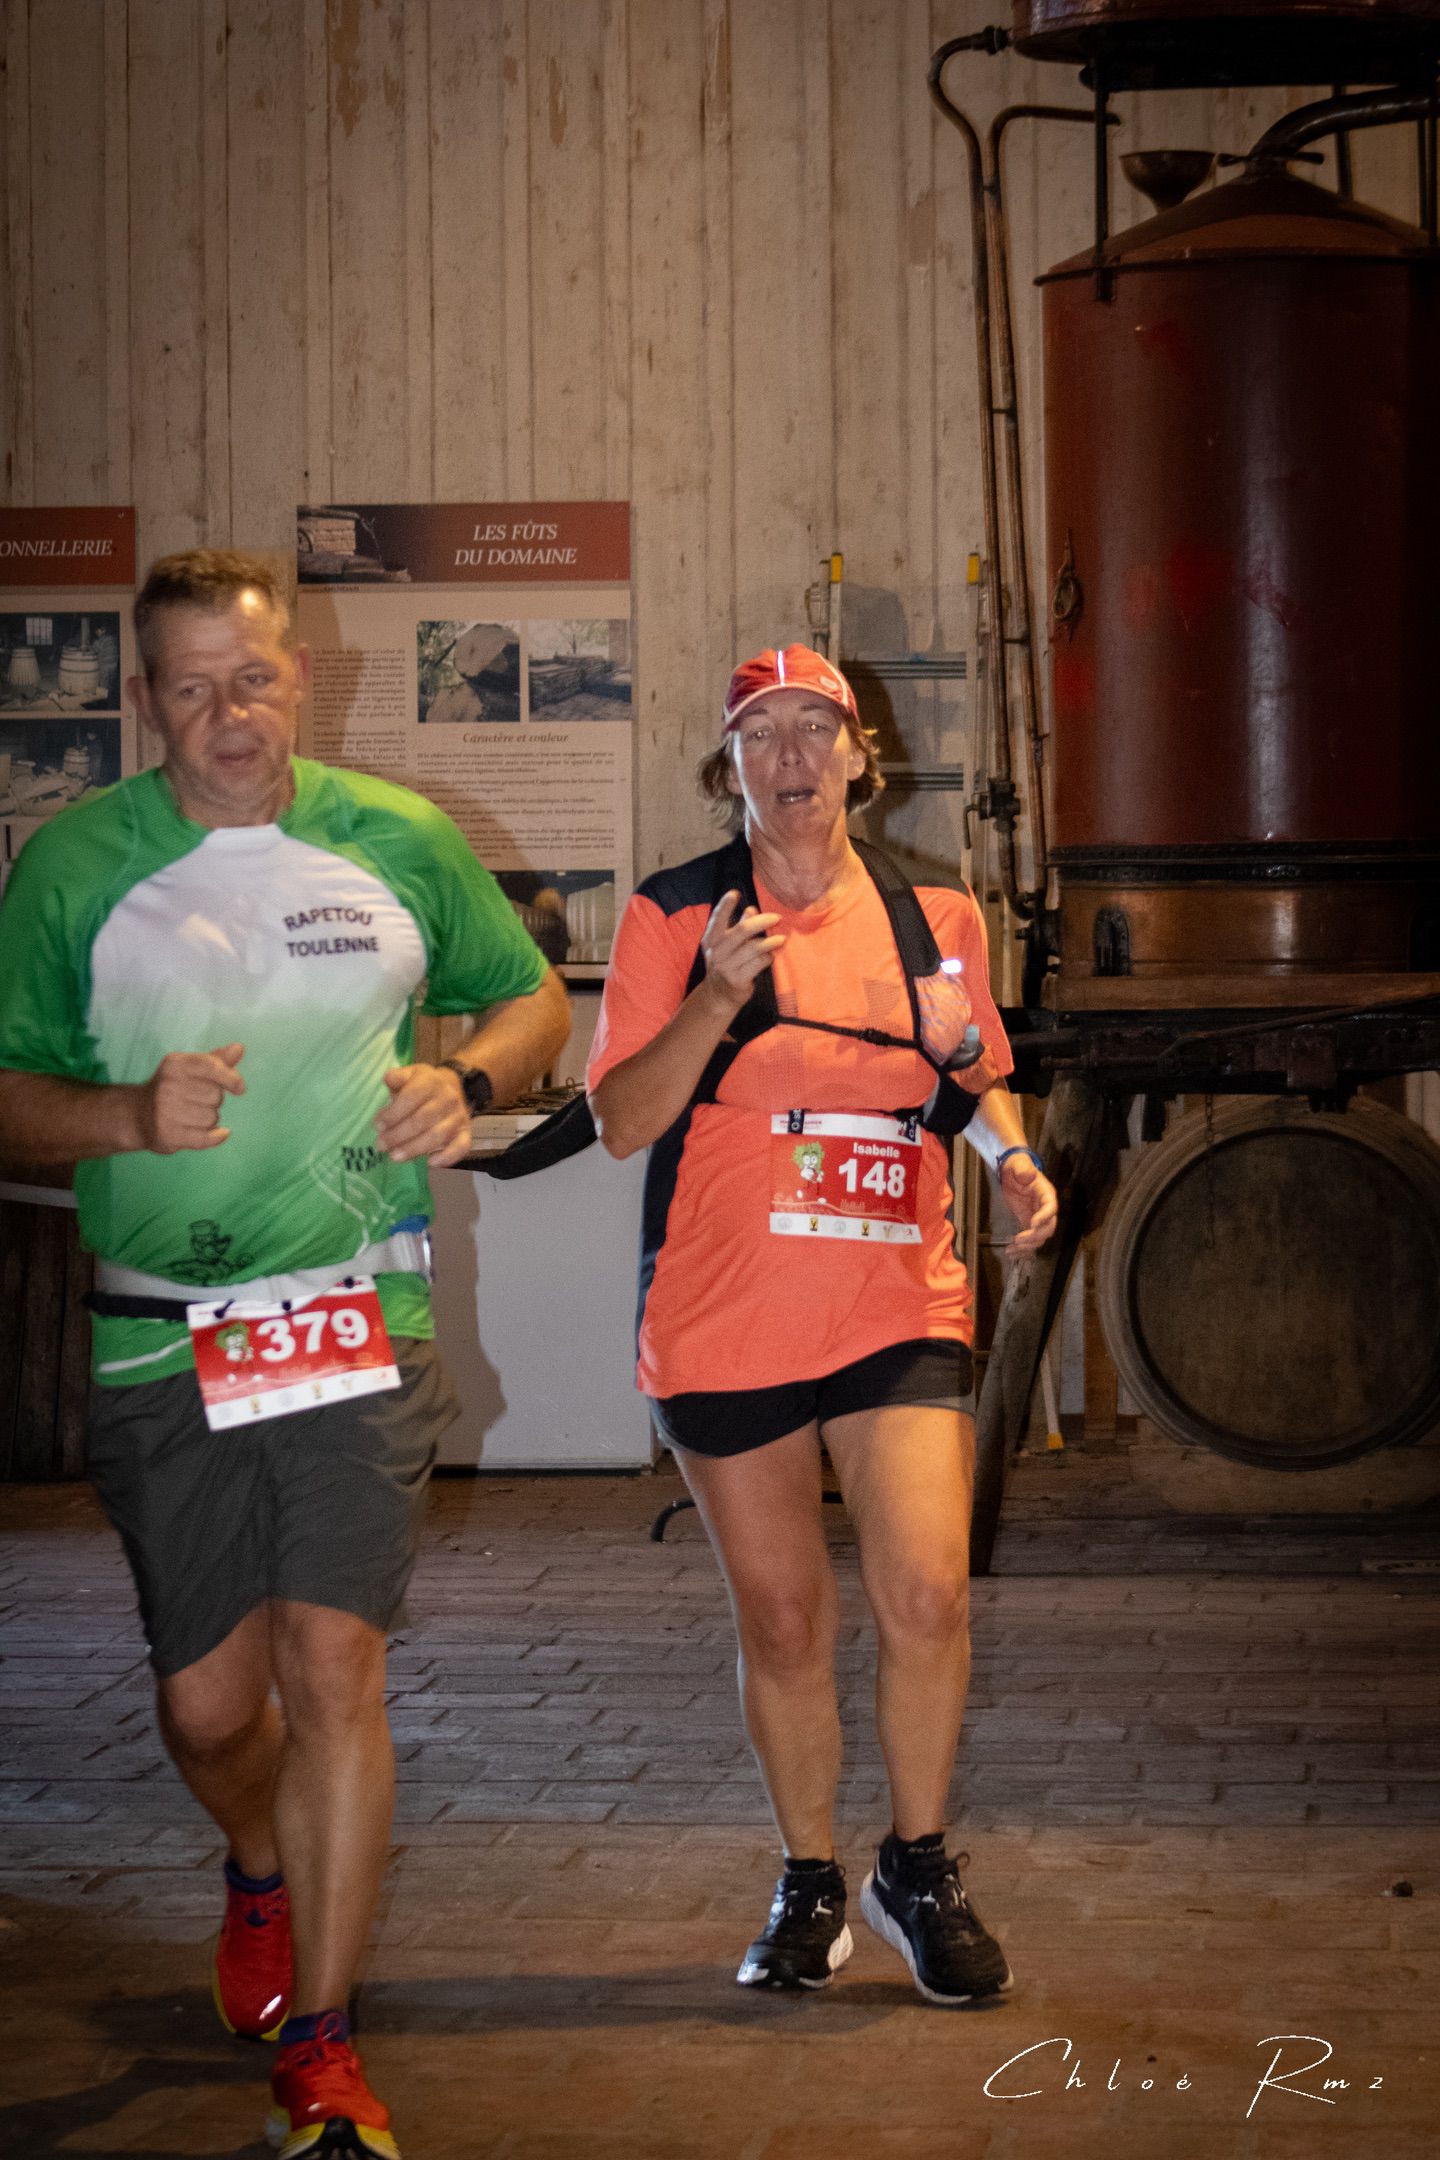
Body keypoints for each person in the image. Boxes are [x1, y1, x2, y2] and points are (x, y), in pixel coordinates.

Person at [0, 551, 570, 2160]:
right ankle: (259, 1866)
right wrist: (125, 1114)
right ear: (144, 701)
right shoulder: (75, 864)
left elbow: (530, 1002)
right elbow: (6, 1089)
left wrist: (473, 1081)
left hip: (353, 1313)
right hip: (161, 1334)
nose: (227, 715)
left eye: (251, 678)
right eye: (189, 688)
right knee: (207, 1711)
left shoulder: (397, 836)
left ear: (299, 674)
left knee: (333, 1669)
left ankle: (323, 2042)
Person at [587, 643, 1056, 2006]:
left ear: (860, 756)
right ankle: (808, 1879)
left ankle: (920, 1866)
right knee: (787, 1620)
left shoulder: (934, 916)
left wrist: (1012, 1158)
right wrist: (716, 996)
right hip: (724, 1313)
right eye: (761, 734)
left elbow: (966, 1076)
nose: (791, 756)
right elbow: (620, 1121)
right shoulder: (676, 915)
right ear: (729, 766)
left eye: (815, 729)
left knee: (929, 1589)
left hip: (894, 1299)